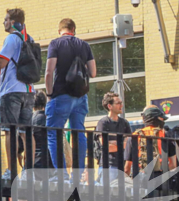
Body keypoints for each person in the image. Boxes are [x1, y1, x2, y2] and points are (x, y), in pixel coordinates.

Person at [0, 8, 32, 180]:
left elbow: (1, 63)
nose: (3, 22)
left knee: (9, 131)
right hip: (28, 90)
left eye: (5, 19)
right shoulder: (29, 39)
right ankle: (29, 170)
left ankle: (11, 171)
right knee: (26, 133)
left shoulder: (12, 38)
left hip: (11, 90)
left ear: (12, 22)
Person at [44, 18, 96, 169]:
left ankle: (62, 175)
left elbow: (49, 72)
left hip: (61, 95)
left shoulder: (55, 44)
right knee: (79, 133)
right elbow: (93, 73)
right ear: (73, 30)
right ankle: (78, 173)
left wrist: (49, 95)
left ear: (59, 31)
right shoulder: (84, 45)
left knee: (54, 134)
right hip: (80, 96)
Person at [124, 105, 179, 201]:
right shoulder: (165, 135)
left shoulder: (135, 136)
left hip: (141, 179)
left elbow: (127, 167)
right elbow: (173, 164)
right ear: (157, 119)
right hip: (161, 178)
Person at [94, 91, 131, 174]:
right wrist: (122, 143)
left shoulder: (124, 123)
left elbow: (129, 144)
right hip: (108, 165)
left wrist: (113, 143)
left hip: (123, 164)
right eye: (118, 103)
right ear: (109, 106)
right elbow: (106, 147)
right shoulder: (103, 123)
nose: (121, 105)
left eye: (121, 103)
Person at [29, 92, 50, 169]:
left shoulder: (28, 119)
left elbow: (20, 143)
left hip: (33, 160)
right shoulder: (49, 119)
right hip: (50, 161)